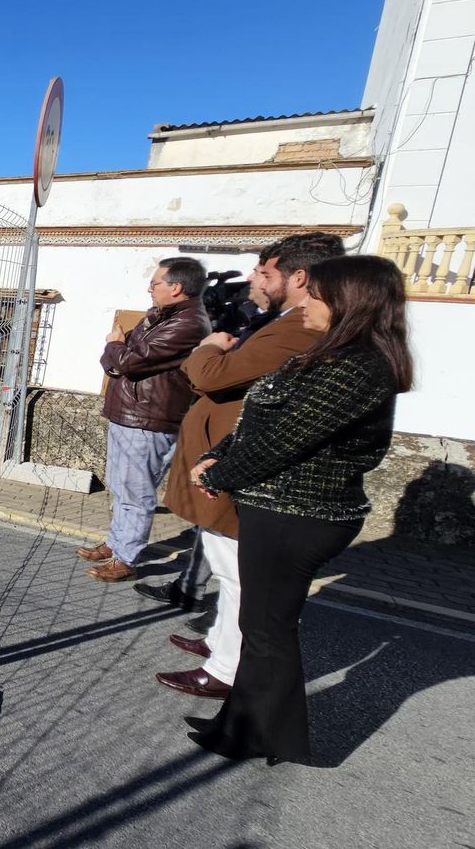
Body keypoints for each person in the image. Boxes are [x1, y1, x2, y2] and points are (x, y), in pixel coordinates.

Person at [184, 254, 412, 765]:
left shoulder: (357, 368)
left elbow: (285, 440)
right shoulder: (327, 355)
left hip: (299, 513)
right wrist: (219, 454)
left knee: (268, 629)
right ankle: (240, 725)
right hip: (280, 507)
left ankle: (265, 736)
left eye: (318, 293)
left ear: (349, 303)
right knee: (261, 627)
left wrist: (219, 475)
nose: (305, 299)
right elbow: (259, 421)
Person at [143, 234, 344, 702]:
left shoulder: (299, 328)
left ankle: (226, 669)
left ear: (299, 277)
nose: (254, 278)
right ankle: (220, 641)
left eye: (265, 272)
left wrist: (210, 346)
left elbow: (210, 375)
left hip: (239, 465)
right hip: (228, 458)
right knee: (225, 565)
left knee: (236, 574)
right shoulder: (284, 321)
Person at [80, 257, 210, 582]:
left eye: (154, 284)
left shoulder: (187, 324)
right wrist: (118, 353)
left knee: (136, 492)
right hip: (132, 413)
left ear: (176, 287)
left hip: (148, 418)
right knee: (121, 485)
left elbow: (127, 361)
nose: (149, 289)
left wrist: (114, 345)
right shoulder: (162, 316)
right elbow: (122, 360)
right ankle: (116, 542)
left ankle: (126, 558)